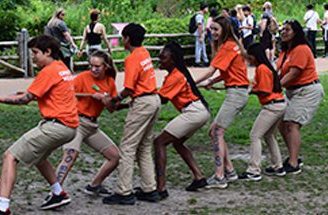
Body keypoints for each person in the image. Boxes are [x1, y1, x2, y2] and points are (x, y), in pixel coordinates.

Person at [0, 35, 79, 214]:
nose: (33, 56)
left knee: (10, 156)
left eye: (35, 52)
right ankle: (58, 193)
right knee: (39, 157)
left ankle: (2, 207)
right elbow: (41, 92)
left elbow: (24, 100)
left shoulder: (49, 71)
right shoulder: (61, 68)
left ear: (48, 52)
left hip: (57, 126)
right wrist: (24, 93)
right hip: (70, 128)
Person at [102, 23, 161, 205]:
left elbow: (128, 88)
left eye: (122, 37)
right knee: (144, 146)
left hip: (142, 102)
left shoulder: (132, 58)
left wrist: (115, 99)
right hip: (154, 99)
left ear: (127, 39)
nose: (121, 40)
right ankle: (149, 188)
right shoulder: (144, 52)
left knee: (127, 147)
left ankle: (124, 192)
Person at [51, 50, 120, 199]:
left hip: (92, 126)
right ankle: (55, 193)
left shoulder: (110, 82)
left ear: (106, 66)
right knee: (70, 155)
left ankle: (94, 186)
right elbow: (65, 93)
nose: (93, 69)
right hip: (77, 123)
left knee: (115, 156)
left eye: (97, 66)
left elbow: (112, 109)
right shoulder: (82, 78)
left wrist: (105, 100)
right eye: (91, 65)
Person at [195, 16, 250, 189]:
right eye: (211, 29)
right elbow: (227, 71)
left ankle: (220, 177)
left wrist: (192, 82)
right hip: (236, 91)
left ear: (224, 30)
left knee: (217, 132)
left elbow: (212, 69)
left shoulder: (227, 47)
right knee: (214, 131)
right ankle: (229, 171)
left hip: (236, 93)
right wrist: (213, 81)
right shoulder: (233, 45)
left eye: (215, 29)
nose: (212, 32)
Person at [154, 42, 211, 199]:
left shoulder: (176, 76)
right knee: (177, 143)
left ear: (173, 59)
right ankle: (198, 177)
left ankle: (161, 187)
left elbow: (162, 99)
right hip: (199, 111)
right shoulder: (176, 74)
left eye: (163, 57)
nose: (160, 60)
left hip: (194, 112)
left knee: (159, 142)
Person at [277, 20, 324, 174]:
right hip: (291, 91)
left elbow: (294, 73)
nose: (283, 32)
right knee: (281, 122)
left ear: (296, 33)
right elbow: (280, 73)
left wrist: (274, 87)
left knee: (292, 123)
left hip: (307, 90)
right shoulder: (285, 51)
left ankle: (293, 163)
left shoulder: (301, 49)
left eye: (287, 30)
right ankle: (294, 156)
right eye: (282, 29)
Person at [238, 43, 286, 181]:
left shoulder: (262, 68)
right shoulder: (266, 67)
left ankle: (254, 170)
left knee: (255, 136)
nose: (249, 60)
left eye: (250, 57)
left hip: (272, 106)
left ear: (255, 56)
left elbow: (265, 91)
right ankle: (278, 166)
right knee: (269, 136)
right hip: (278, 105)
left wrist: (251, 90)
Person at [194, 3, 210, 67]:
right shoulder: (199, 16)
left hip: (201, 33)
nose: (207, 9)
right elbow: (199, 26)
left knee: (203, 47)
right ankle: (197, 61)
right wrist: (200, 36)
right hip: (199, 34)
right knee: (199, 48)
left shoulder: (201, 15)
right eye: (207, 8)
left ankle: (206, 61)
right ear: (204, 8)